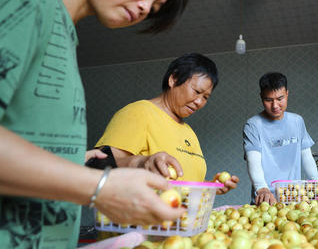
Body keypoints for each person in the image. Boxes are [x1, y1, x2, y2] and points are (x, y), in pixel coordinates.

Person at [0, 0, 190, 249]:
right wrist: (100, 189)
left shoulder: (64, 40)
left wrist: (136, 165)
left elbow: (44, 161)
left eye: (155, 6)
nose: (145, 7)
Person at [94, 53, 239, 193]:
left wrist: (210, 186)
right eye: (196, 91)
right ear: (173, 79)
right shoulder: (139, 112)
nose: (199, 102)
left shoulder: (188, 131)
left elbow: (181, 182)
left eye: (206, 97)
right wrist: (142, 162)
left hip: (181, 217)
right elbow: (98, 166)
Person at [243, 72, 318, 205]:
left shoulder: (297, 121)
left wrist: (316, 183)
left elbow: (306, 156)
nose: (275, 106)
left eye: (280, 99)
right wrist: (261, 188)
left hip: (294, 199)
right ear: (261, 97)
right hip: (266, 201)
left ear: (287, 94)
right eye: (269, 100)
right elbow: (253, 160)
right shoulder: (252, 125)